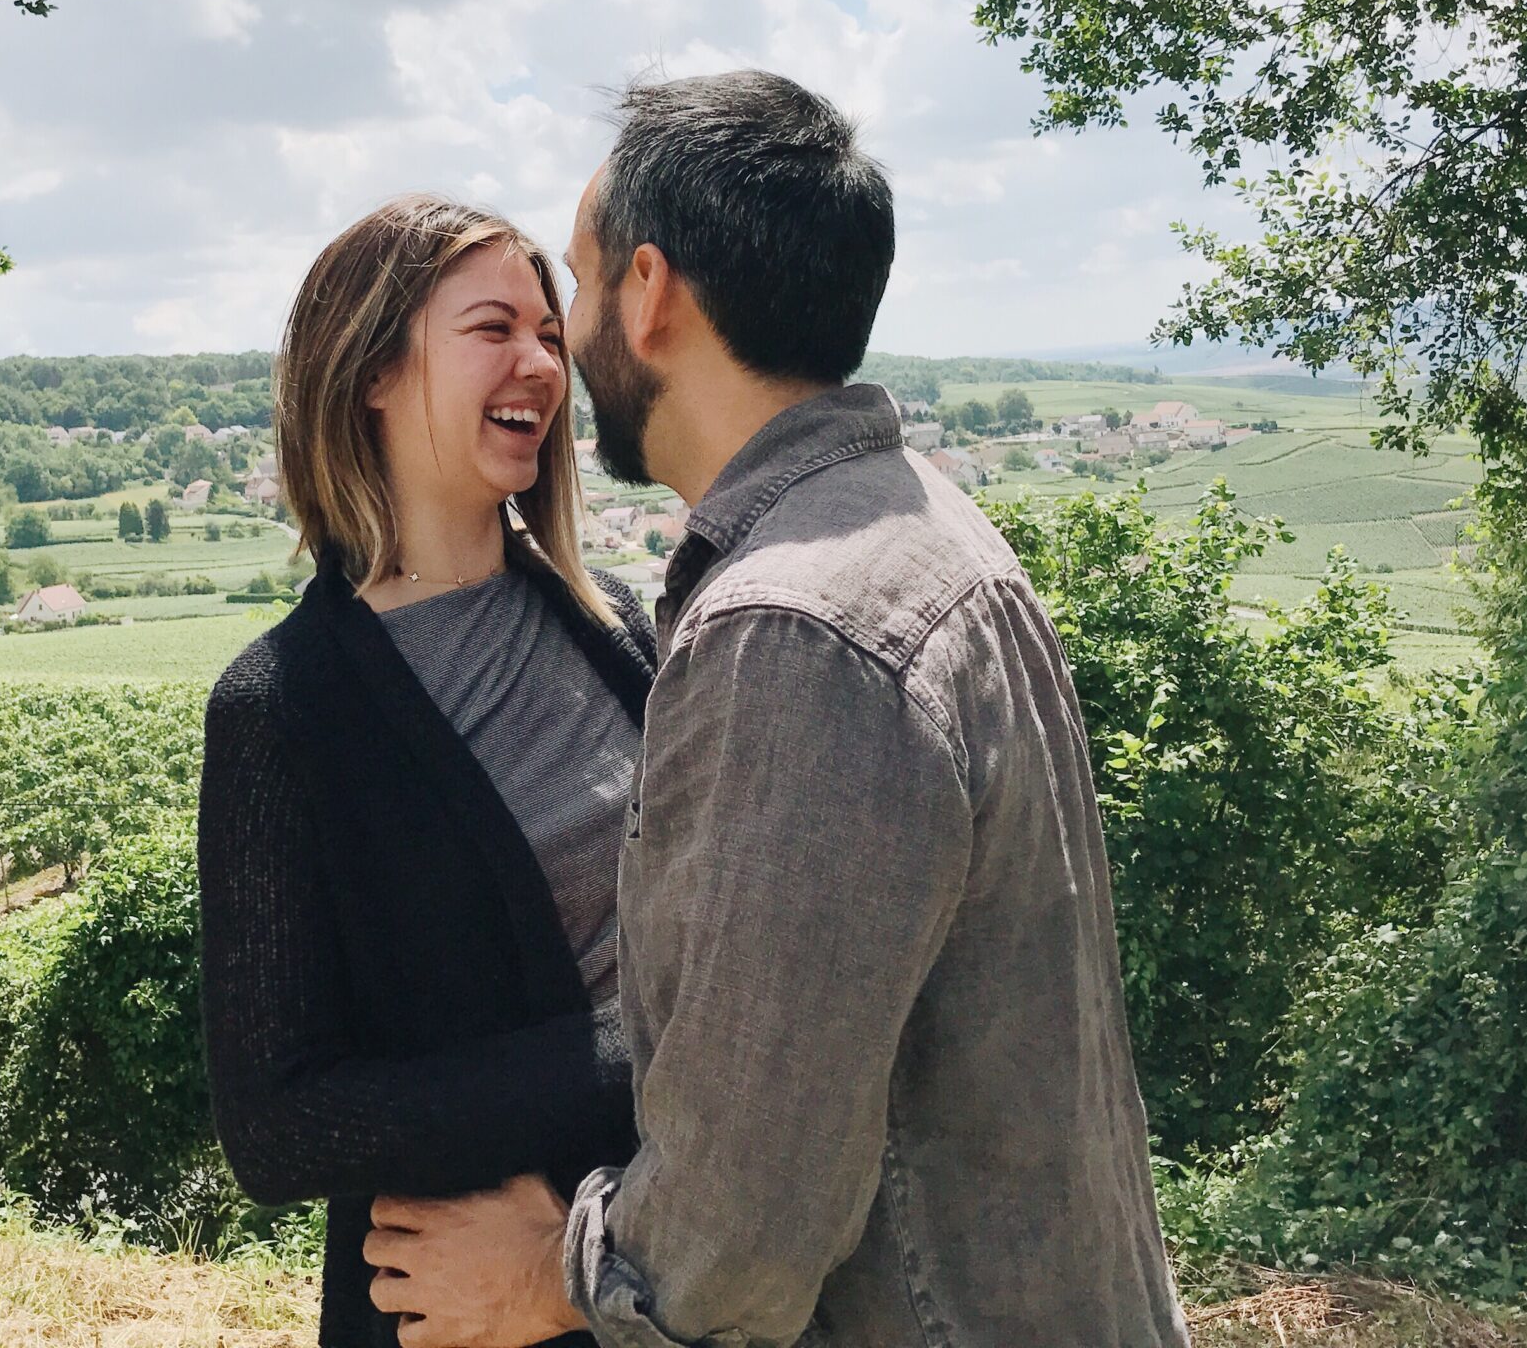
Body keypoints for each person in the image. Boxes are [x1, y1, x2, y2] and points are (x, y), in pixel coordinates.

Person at [361, 72, 1188, 1348]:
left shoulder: (789, 631)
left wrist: (536, 1278)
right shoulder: (917, 527)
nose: (567, 343)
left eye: (578, 288)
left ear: (650, 293)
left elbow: (741, 1234)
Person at [198, 194, 660, 1348]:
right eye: (492, 327)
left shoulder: (626, 635)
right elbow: (280, 1125)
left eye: (551, 335)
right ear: (371, 372)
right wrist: (661, 1049)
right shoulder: (284, 711)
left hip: (668, 1279)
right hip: (451, 1310)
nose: (539, 362)